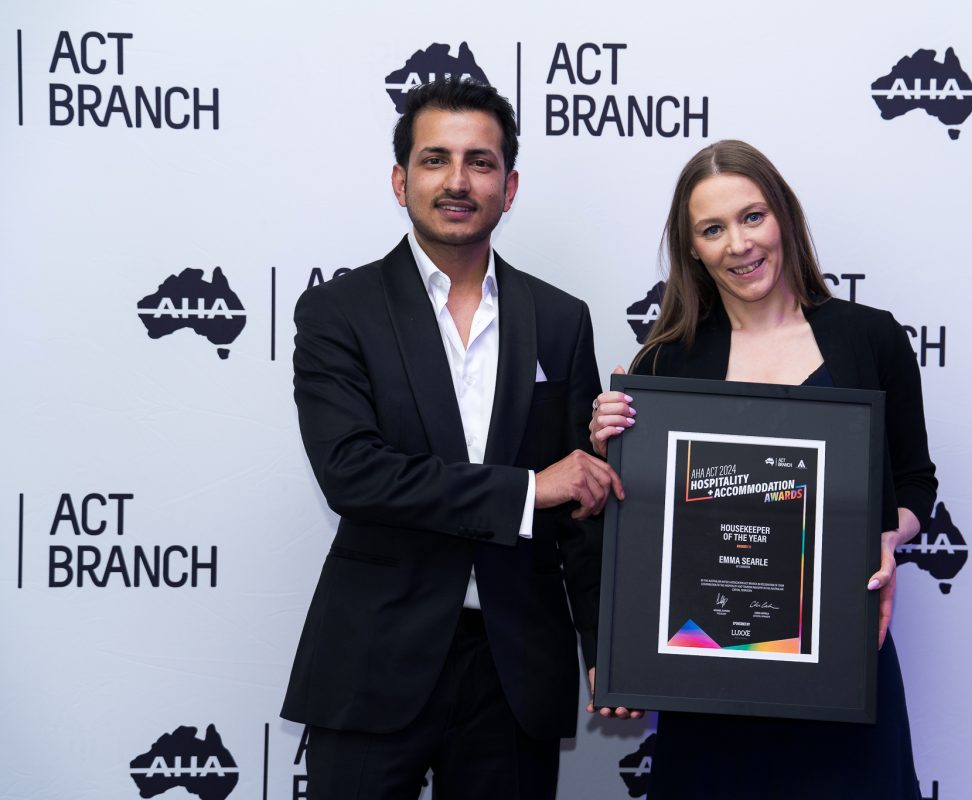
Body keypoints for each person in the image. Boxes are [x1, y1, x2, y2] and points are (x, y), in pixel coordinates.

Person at [281, 77, 627, 800]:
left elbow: (586, 503)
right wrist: (531, 489)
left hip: (515, 673)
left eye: (481, 161)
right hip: (375, 664)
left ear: (511, 184)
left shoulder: (561, 320)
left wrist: (610, 646)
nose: (458, 181)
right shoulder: (338, 313)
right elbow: (354, 474)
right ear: (401, 180)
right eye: (436, 160)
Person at [589, 140, 937, 798]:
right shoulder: (664, 366)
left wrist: (887, 539)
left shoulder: (872, 339)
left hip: (841, 664)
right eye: (712, 229)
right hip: (712, 684)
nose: (738, 245)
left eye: (752, 217)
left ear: (783, 218)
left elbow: (917, 481)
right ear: (692, 249)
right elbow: (640, 527)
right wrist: (614, 452)